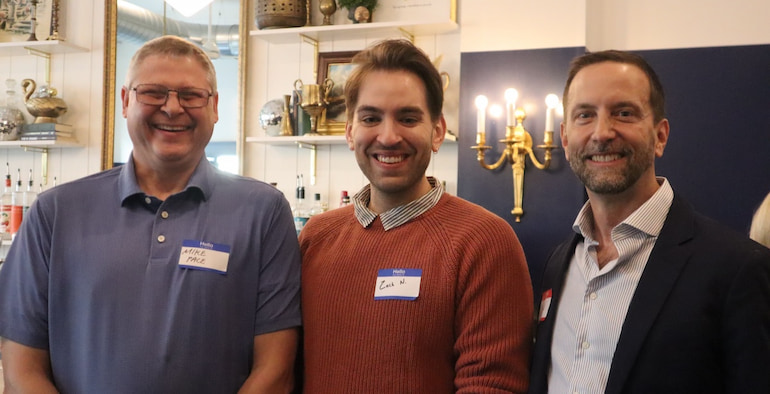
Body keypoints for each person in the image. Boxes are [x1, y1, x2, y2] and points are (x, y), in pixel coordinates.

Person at [0, 35, 301, 393]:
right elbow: (22, 366)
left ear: (215, 106)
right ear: (125, 101)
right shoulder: (55, 213)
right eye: (153, 93)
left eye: (191, 95)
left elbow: (275, 369)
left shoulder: (263, 211)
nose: (173, 108)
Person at [298, 39, 534, 393]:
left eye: (408, 118)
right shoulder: (316, 236)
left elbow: (492, 384)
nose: (388, 136)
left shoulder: (484, 241)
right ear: (350, 132)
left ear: (437, 131)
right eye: (370, 118)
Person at [529, 50, 770, 393]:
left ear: (660, 136)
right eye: (585, 115)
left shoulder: (738, 268)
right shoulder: (559, 263)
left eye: (623, 113)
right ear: (565, 139)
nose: (602, 132)